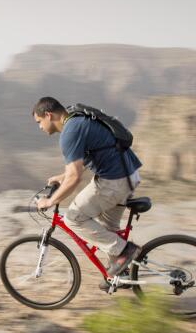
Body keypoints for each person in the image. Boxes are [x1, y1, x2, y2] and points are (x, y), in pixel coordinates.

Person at [32, 96, 142, 290]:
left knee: (73, 218)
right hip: (128, 175)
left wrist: (50, 201)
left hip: (114, 181)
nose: (39, 127)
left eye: (39, 122)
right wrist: (62, 175)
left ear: (49, 115)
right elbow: (78, 166)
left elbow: (75, 178)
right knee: (106, 229)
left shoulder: (69, 132)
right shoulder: (76, 119)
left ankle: (125, 252)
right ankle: (122, 274)